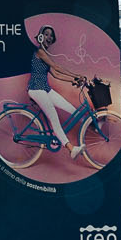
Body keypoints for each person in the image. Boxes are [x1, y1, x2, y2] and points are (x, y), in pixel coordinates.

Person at [27, 25, 84, 160]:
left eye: (51, 35)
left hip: (45, 89)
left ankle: (91, 125)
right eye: (46, 34)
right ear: (40, 36)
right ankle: (71, 149)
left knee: (71, 108)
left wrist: (72, 80)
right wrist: (76, 75)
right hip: (36, 89)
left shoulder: (45, 54)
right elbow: (56, 67)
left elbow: (56, 75)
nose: (49, 37)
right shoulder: (40, 52)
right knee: (54, 117)